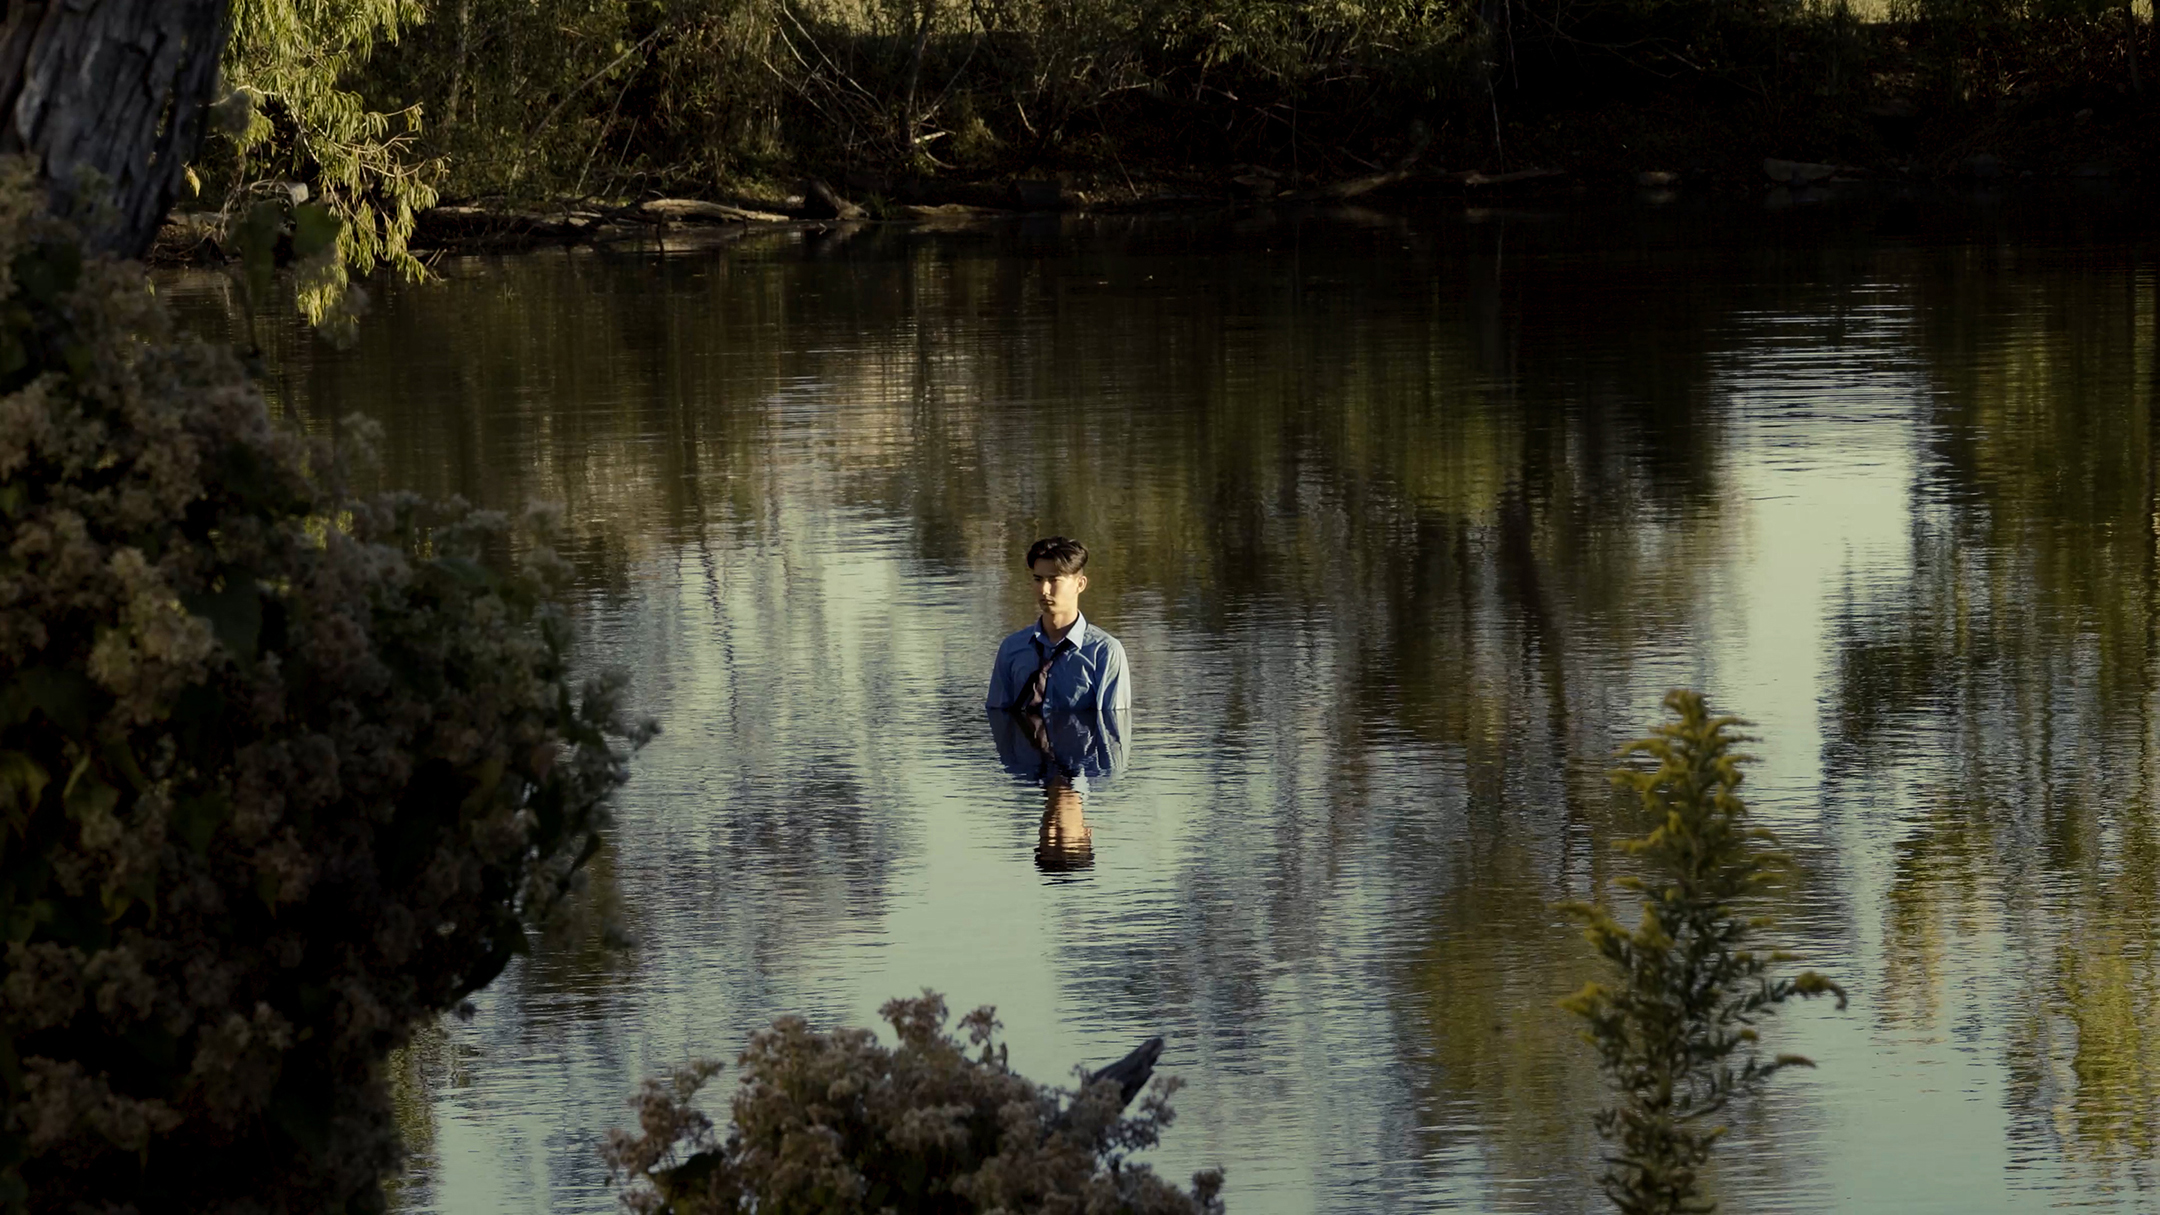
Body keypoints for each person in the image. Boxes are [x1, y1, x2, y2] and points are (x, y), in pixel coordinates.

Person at [985, 536, 1131, 713]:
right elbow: (998, 717)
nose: (1044, 590)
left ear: (1080, 584)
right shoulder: (1012, 649)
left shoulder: (1104, 652)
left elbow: (1114, 726)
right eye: (1038, 579)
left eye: (1054, 580)